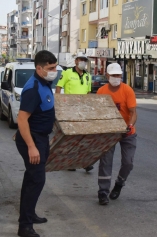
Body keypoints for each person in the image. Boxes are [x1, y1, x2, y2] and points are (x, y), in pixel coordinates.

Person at [15, 50, 58, 237]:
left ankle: (29, 214)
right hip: (33, 139)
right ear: (39, 68)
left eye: (55, 67)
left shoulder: (45, 82)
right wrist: (31, 146)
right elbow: (22, 119)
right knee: (37, 180)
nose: (54, 71)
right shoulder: (32, 88)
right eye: (51, 68)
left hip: (40, 137)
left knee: (31, 178)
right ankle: (24, 227)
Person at [96, 63, 137, 205]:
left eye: (118, 75)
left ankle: (119, 183)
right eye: (113, 75)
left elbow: (133, 113)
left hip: (126, 131)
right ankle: (103, 192)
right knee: (105, 162)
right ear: (107, 76)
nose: (116, 78)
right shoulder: (101, 91)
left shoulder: (127, 90)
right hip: (109, 131)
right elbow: (98, 112)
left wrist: (130, 125)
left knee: (128, 162)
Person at [55, 52, 94, 172]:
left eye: (84, 60)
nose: (82, 62)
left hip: (83, 111)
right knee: (72, 137)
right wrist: (59, 104)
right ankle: (70, 162)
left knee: (84, 137)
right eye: (81, 59)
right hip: (70, 109)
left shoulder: (88, 75)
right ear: (76, 61)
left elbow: (88, 93)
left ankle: (85, 162)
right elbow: (58, 88)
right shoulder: (67, 73)